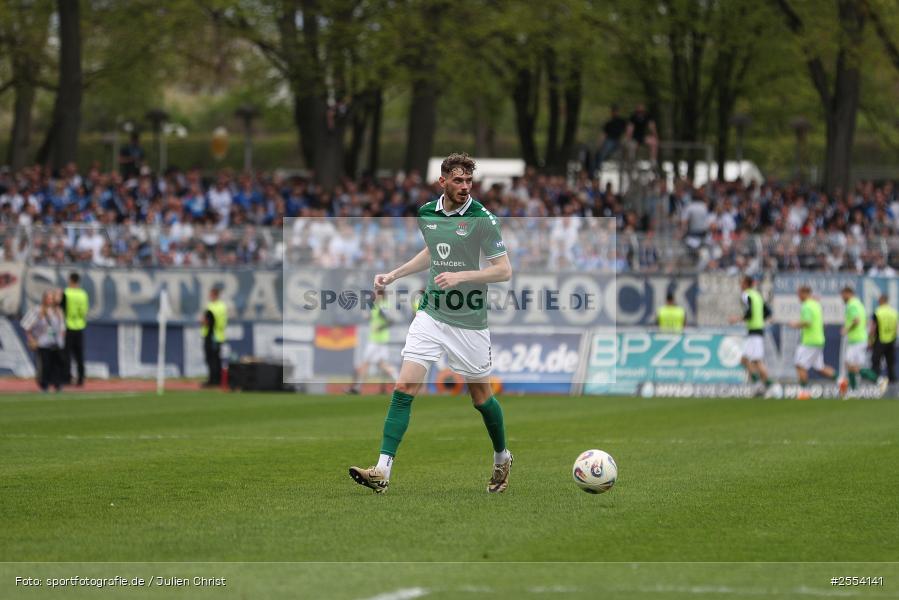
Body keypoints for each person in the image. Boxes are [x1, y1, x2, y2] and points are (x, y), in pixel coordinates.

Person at [349, 153, 514, 494]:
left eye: (469, 181)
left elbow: (503, 270)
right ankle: (382, 471)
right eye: (458, 181)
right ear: (443, 182)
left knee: (481, 398)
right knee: (404, 387)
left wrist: (462, 276)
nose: (465, 187)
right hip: (432, 314)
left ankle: (501, 456)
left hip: (469, 320)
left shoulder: (483, 219)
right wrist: (393, 275)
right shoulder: (427, 212)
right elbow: (432, 252)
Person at [789, 285, 838, 399]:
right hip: (818, 340)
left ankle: (804, 392)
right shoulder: (816, 304)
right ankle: (841, 381)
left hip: (809, 341)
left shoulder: (806, 306)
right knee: (819, 367)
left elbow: (807, 322)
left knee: (799, 365)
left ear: (804, 293)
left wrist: (794, 324)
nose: (798, 297)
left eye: (799, 294)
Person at [348, 289, 399, 394]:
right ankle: (399, 383)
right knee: (382, 365)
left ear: (381, 295)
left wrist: (380, 327)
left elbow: (390, 320)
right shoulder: (378, 305)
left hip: (376, 340)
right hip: (379, 340)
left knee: (366, 363)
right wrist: (368, 317)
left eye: (376, 294)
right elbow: (378, 318)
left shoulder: (382, 306)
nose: (374, 295)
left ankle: (357, 388)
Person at [728, 275, 772, 395]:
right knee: (744, 359)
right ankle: (758, 385)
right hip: (755, 331)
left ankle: (771, 387)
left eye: (741, 283)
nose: (740, 285)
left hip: (755, 331)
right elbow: (768, 312)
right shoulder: (757, 295)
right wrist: (760, 319)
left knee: (757, 361)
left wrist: (737, 319)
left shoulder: (746, 295)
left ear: (746, 284)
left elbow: (750, 312)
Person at [21, 290, 66, 392]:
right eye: (49, 298)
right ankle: (44, 385)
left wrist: (62, 339)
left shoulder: (58, 311)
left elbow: (62, 328)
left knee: (57, 365)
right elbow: (26, 325)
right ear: (44, 299)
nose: (51, 300)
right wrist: (31, 338)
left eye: (52, 298)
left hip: (56, 342)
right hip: (43, 342)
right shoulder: (37, 310)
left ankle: (57, 384)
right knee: (44, 365)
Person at [838, 286, 880, 396]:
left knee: (852, 366)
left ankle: (878, 380)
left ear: (848, 293)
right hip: (860, 338)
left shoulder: (851, 305)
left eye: (842, 295)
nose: (842, 297)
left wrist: (846, 329)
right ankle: (854, 390)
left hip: (856, 340)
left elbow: (856, 320)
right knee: (852, 365)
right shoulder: (859, 304)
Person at [61, 272, 89, 386]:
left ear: (71, 280)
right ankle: (81, 379)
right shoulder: (83, 294)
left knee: (67, 354)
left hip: (68, 326)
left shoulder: (66, 293)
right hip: (80, 326)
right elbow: (85, 311)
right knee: (79, 355)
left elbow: (62, 310)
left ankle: (67, 378)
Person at [201, 287, 228, 387]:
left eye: (211, 294)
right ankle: (217, 380)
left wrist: (203, 322)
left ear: (215, 295)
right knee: (216, 359)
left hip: (212, 336)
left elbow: (208, 321)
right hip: (218, 335)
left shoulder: (213, 307)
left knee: (212, 359)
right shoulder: (221, 306)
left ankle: (213, 380)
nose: (209, 296)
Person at [594, 104, 629, 174]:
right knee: (602, 152)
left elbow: (627, 130)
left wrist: (625, 138)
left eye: (616, 111)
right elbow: (604, 134)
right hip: (610, 140)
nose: (615, 113)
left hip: (619, 140)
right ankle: (598, 168)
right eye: (614, 111)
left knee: (624, 149)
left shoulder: (622, 121)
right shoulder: (609, 123)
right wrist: (599, 143)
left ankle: (625, 167)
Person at [870, 295, 896, 386]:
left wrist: (870, 340)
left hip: (880, 340)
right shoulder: (894, 312)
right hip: (891, 341)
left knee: (875, 361)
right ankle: (893, 385)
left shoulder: (878, 312)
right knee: (891, 364)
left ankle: (875, 382)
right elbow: (896, 327)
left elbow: (873, 328)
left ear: (881, 300)